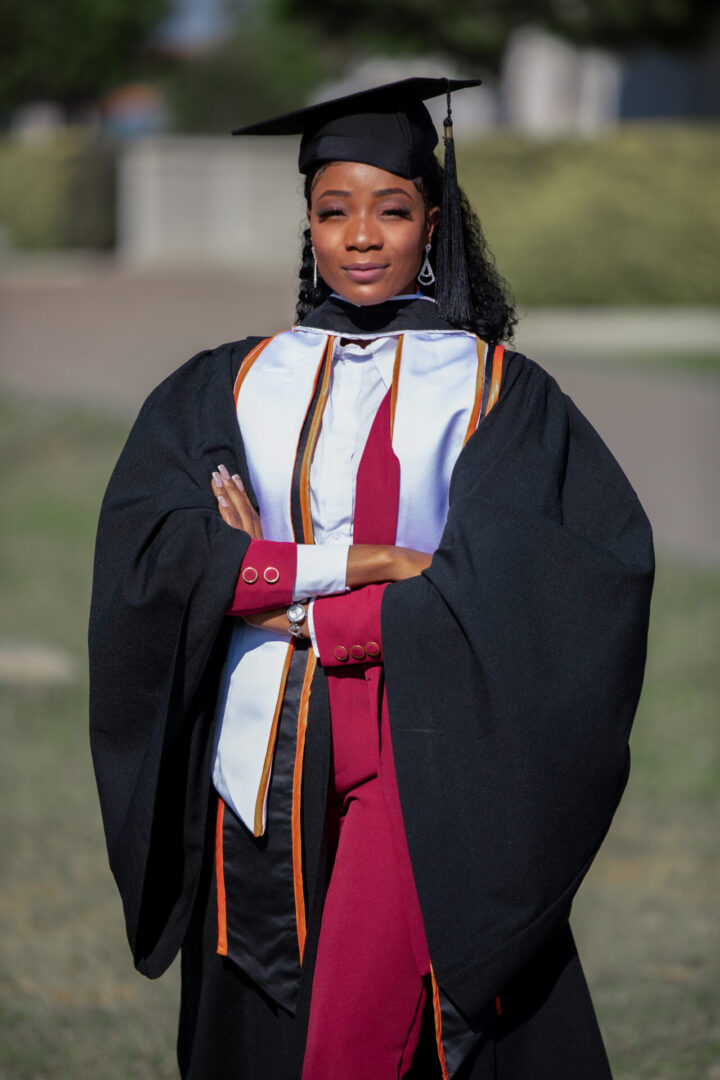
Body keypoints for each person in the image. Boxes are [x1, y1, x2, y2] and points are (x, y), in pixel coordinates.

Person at [89, 77, 654, 1080]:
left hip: (425, 747)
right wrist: (378, 566)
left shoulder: (497, 392)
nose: (361, 235)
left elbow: (541, 583)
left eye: (392, 210)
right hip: (259, 750)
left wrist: (282, 590)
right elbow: (160, 560)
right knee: (269, 1022)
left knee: (365, 1035)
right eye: (334, 210)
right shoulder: (228, 380)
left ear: (434, 222)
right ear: (306, 223)